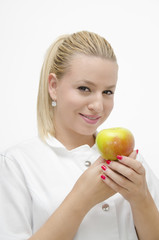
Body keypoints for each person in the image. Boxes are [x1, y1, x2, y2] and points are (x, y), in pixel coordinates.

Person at [0, 31, 159, 240]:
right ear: (53, 86)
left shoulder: (130, 163)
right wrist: (81, 199)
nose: (98, 105)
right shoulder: (16, 164)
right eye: (84, 88)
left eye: (108, 92)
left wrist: (141, 198)